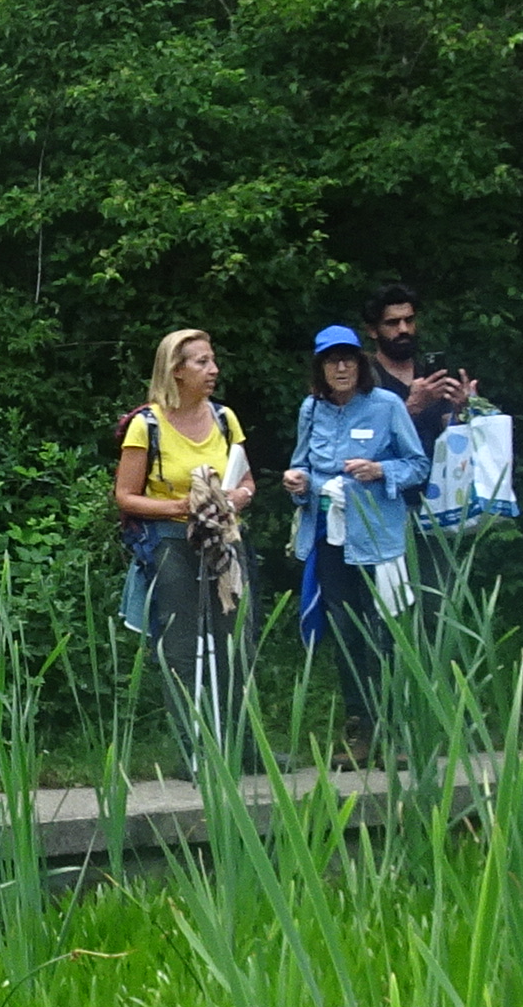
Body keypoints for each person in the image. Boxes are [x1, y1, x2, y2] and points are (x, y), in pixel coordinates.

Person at [111, 326, 254, 769]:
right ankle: (196, 748)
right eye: (201, 362)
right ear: (175, 371)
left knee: (239, 638)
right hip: (172, 541)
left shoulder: (226, 419)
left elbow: (247, 479)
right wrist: (179, 505)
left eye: (212, 361)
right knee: (181, 646)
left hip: (225, 540)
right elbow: (125, 496)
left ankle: (243, 747)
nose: (213, 370)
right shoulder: (146, 425)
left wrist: (238, 496)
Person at [283, 325, 426, 759]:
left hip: (378, 537)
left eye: (348, 358)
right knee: (345, 631)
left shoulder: (385, 406)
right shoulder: (311, 409)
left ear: (361, 363)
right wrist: (297, 482)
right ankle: (360, 729)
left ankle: (396, 729)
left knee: (384, 629)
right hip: (330, 536)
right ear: (320, 367)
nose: (341, 367)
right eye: (332, 360)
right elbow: (301, 467)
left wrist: (381, 471)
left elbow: (418, 465)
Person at [367, 287, 481, 453]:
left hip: (437, 474)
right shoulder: (365, 380)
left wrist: (462, 411)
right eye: (393, 323)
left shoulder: (431, 375)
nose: (403, 329)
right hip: (387, 475)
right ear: (372, 330)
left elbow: (447, 431)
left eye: (409, 320)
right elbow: (363, 442)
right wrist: (412, 407)